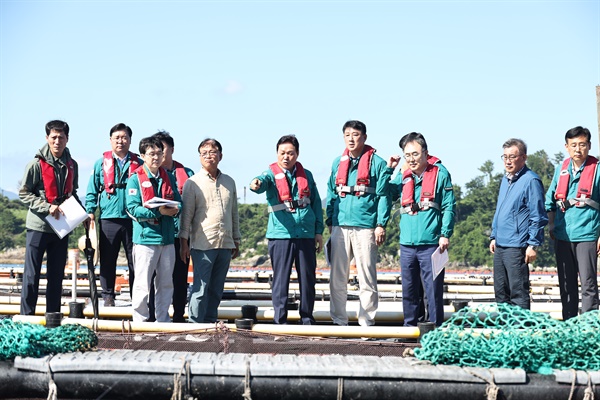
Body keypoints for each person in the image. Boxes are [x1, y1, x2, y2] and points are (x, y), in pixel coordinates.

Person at [250, 135, 324, 325]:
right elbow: (261, 183)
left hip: (306, 234)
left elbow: (315, 203)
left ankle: (307, 319)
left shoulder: (306, 175)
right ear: (277, 154)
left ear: (297, 154)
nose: (286, 157)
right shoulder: (270, 175)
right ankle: (280, 321)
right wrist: (255, 183)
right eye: (282, 153)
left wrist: (318, 231)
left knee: (308, 280)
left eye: (290, 153)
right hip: (280, 235)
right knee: (281, 280)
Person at [326, 120, 391, 327]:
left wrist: (381, 223)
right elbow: (330, 191)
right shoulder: (338, 162)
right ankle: (339, 320)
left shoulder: (378, 163)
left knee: (367, 277)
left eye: (355, 134)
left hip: (366, 226)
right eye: (347, 135)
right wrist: (330, 219)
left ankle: (367, 321)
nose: (351, 139)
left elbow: (383, 195)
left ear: (364, 137)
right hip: (340, 225)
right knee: (337, 277)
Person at [388, 132, 456, 327]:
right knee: (409, 290)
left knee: (433, 290)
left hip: (431, 243)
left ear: (425, 153)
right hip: (407, 243)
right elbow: (387, 192)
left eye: (415, 154)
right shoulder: (403, 175)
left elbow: (449, 206)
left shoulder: (440, 174)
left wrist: (445, 234)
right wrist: (389, 170)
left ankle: (434, 330)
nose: (411, 159)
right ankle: (410, 329)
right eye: (407, 155)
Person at [19, 120, 83, 315]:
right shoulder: (35, 164)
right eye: (53, 137)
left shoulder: (73, 165)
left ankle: (53, 318)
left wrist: (83, 213)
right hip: (38, 226)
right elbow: (24, 193)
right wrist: (47, 207)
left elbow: (73, 193)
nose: (57, 141)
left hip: (61, 228)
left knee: (56, 276)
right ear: (47, 138)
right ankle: (26, 318)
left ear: (67, 139)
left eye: (61, 137)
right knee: (31, 275)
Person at [179, 139, 240, 323]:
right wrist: (183, 242)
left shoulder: (229, 182)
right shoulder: (193, 183)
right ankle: (195, 325)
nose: (208, 156)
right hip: (202, 243)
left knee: (216, 288)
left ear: (220, 155)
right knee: (201, 288)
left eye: (212, 152)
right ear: (199, 157)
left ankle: (211, 322)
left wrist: (236, 238)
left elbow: (234, 213)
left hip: (225, 242)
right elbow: (186, 215)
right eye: (203, 153)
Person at [545, 126, 600, 320]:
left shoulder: (598, 170)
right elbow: (550, 201)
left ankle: (589, 326)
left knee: (588, 284)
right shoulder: (561, 170)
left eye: (582, 145)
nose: (578, 149)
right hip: (562, 234)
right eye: (574, 145)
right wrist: (551, 224)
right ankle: (569, 324)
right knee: (566, 284)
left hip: (588, 234)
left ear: (589, 146)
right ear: (566, 147)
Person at [126, 136, 181, 322]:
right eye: (151, 154)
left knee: (166, 284)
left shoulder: (169, 177)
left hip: (167, 240)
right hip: (145, 240)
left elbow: (178, 202)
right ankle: (140, 323)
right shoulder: (135, 179)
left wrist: (174, 210)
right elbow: (132, 208)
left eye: (159, 153)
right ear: (142, 156)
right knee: (142, 284)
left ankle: (163, 321)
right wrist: (158, 212)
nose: (156, 157)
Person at [85, 123, 141, 306]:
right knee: (108, 260)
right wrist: (90, 212)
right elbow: (92, 190)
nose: (120, 141)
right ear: (110, 140)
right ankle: (108, 297)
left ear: (130, 140)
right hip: (109, 217)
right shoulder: (100, 163)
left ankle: (137, 297)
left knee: (136, 261)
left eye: (124, 137)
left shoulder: (139, 163)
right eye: (117, 137)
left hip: (134, 219)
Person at [490, 138, 547, 310]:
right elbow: (500, 210)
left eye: (512, 156)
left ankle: (520, 332)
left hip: (517, 245)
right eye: (505, 156)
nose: (508, 161)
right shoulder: (505, 180)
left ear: (523, 158)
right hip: (500, 244)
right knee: (500, 292)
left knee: (518, 292)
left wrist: (533, 244)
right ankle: (505, 332)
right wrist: (494, 236)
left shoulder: (531, 180)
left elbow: (538, 215)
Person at [148, 131, 194, 322]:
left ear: (172, 149)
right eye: (155, 150)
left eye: (162, 149)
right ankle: (153, 316)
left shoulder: (188, 174)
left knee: (179, 278)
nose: (158, 153)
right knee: (153, 279)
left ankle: (178, 316)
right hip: (156, 234)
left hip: (180, 234)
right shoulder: (146, 174)